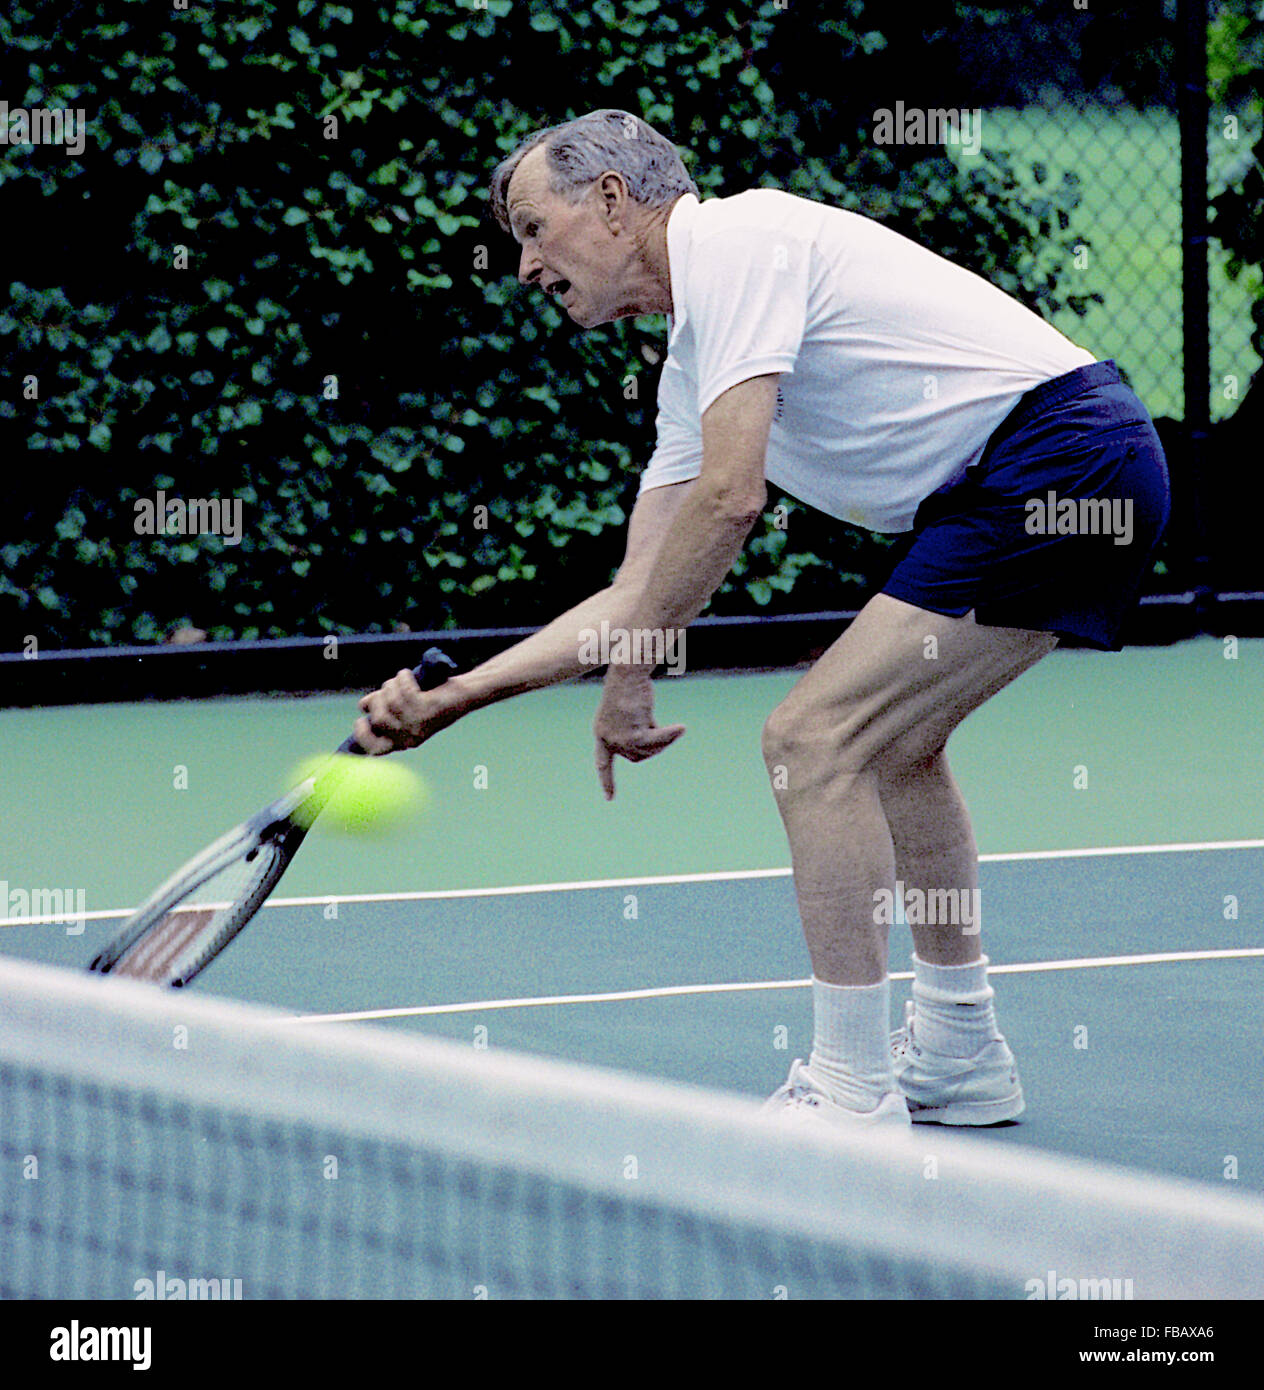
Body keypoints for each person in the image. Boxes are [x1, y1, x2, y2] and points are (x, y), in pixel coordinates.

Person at [353, 109, 1169, 1131]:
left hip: (1057, 457)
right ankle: (960, 1048)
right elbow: (635, 591)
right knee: (897, 745)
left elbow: (731, 498)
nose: (524, 265)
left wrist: (633, 670)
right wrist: (458, 697)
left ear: (610, 200)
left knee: (809, 738)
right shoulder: (694, 360)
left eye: (530, 227)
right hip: (1049, 469)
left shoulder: (737, 242)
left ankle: (850, 1085)